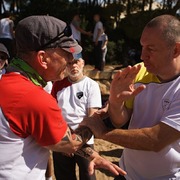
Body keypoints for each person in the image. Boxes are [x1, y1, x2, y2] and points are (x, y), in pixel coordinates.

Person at [0, 15, 126, 180]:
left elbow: (48, 135)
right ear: (43, 59)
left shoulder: (8, 83)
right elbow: (69, 143)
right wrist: (95, 121)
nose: (70, 59)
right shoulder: (33, 98)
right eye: (66, 53)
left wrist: (92, 155)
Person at [82, 14, 180, 179]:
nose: (142, 56)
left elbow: (156, 140)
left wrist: (102, 132)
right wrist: (115, 102)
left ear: (176, 50)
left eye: (151, 48)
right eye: (142, 47)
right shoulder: (139, 71)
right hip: (127, 173)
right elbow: (120, 119)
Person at [52, 54, 102, 180]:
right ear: (65, 65)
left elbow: (92, 118)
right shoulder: (57, 85)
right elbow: (53, 115)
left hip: (84, 141)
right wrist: (65, 143)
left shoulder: (91, 85)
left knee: (88, 176)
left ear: (83, 63)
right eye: (69, 63)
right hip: (61, 139)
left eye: (76, 62)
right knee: (64, 176)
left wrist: (73, 143)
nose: (73, 65)